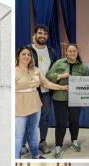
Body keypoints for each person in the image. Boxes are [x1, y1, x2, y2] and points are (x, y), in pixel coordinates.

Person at [15, 46, 67, 159]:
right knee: (18, 136)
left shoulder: (35, 70)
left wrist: (62, 88)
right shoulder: (13, 70)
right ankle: (16, 158)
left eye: (29, 54)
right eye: (23, 54)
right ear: (18, 56)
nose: (27, 56)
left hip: (35, 105)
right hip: (20, 107)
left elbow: (47, 83)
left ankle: (35, 155)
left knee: (33, 132)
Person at [47, 44, 89, 159]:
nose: (72, 53)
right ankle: (58, 146)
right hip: (60, 97)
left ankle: (74, 141)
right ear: (66, 53)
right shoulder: (58, 63)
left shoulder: (83, 67)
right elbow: (48, 76)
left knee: (74, 121)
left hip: (76, 99)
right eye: (69, 51)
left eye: (74, 51)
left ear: (77, 53)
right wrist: (60, 75)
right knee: (61, 122)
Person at [22, 24, 58, 155]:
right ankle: (24, 144)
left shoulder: (52, 51)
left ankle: (42, 141)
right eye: (40, 33)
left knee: (44, 117)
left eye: (45, 34)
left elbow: (55, 70)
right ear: (35, 35)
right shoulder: (27, 50)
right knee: (28, 117)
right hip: (31, 90)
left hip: (47, 91)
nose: (42, 36)